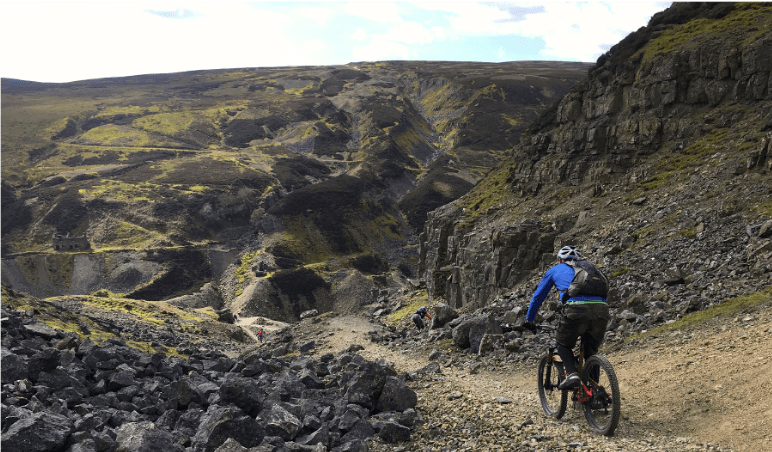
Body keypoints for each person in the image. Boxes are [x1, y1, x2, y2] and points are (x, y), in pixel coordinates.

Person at [524, 245, 611, 390]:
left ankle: (572, 374)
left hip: (575, 309)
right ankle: (594, 392)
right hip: (601, 310)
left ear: (560, 260)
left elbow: (538, 297)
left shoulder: (555, 270)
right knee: (590, 353)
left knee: (562, 344)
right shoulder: (589, 268)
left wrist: (529, 319)